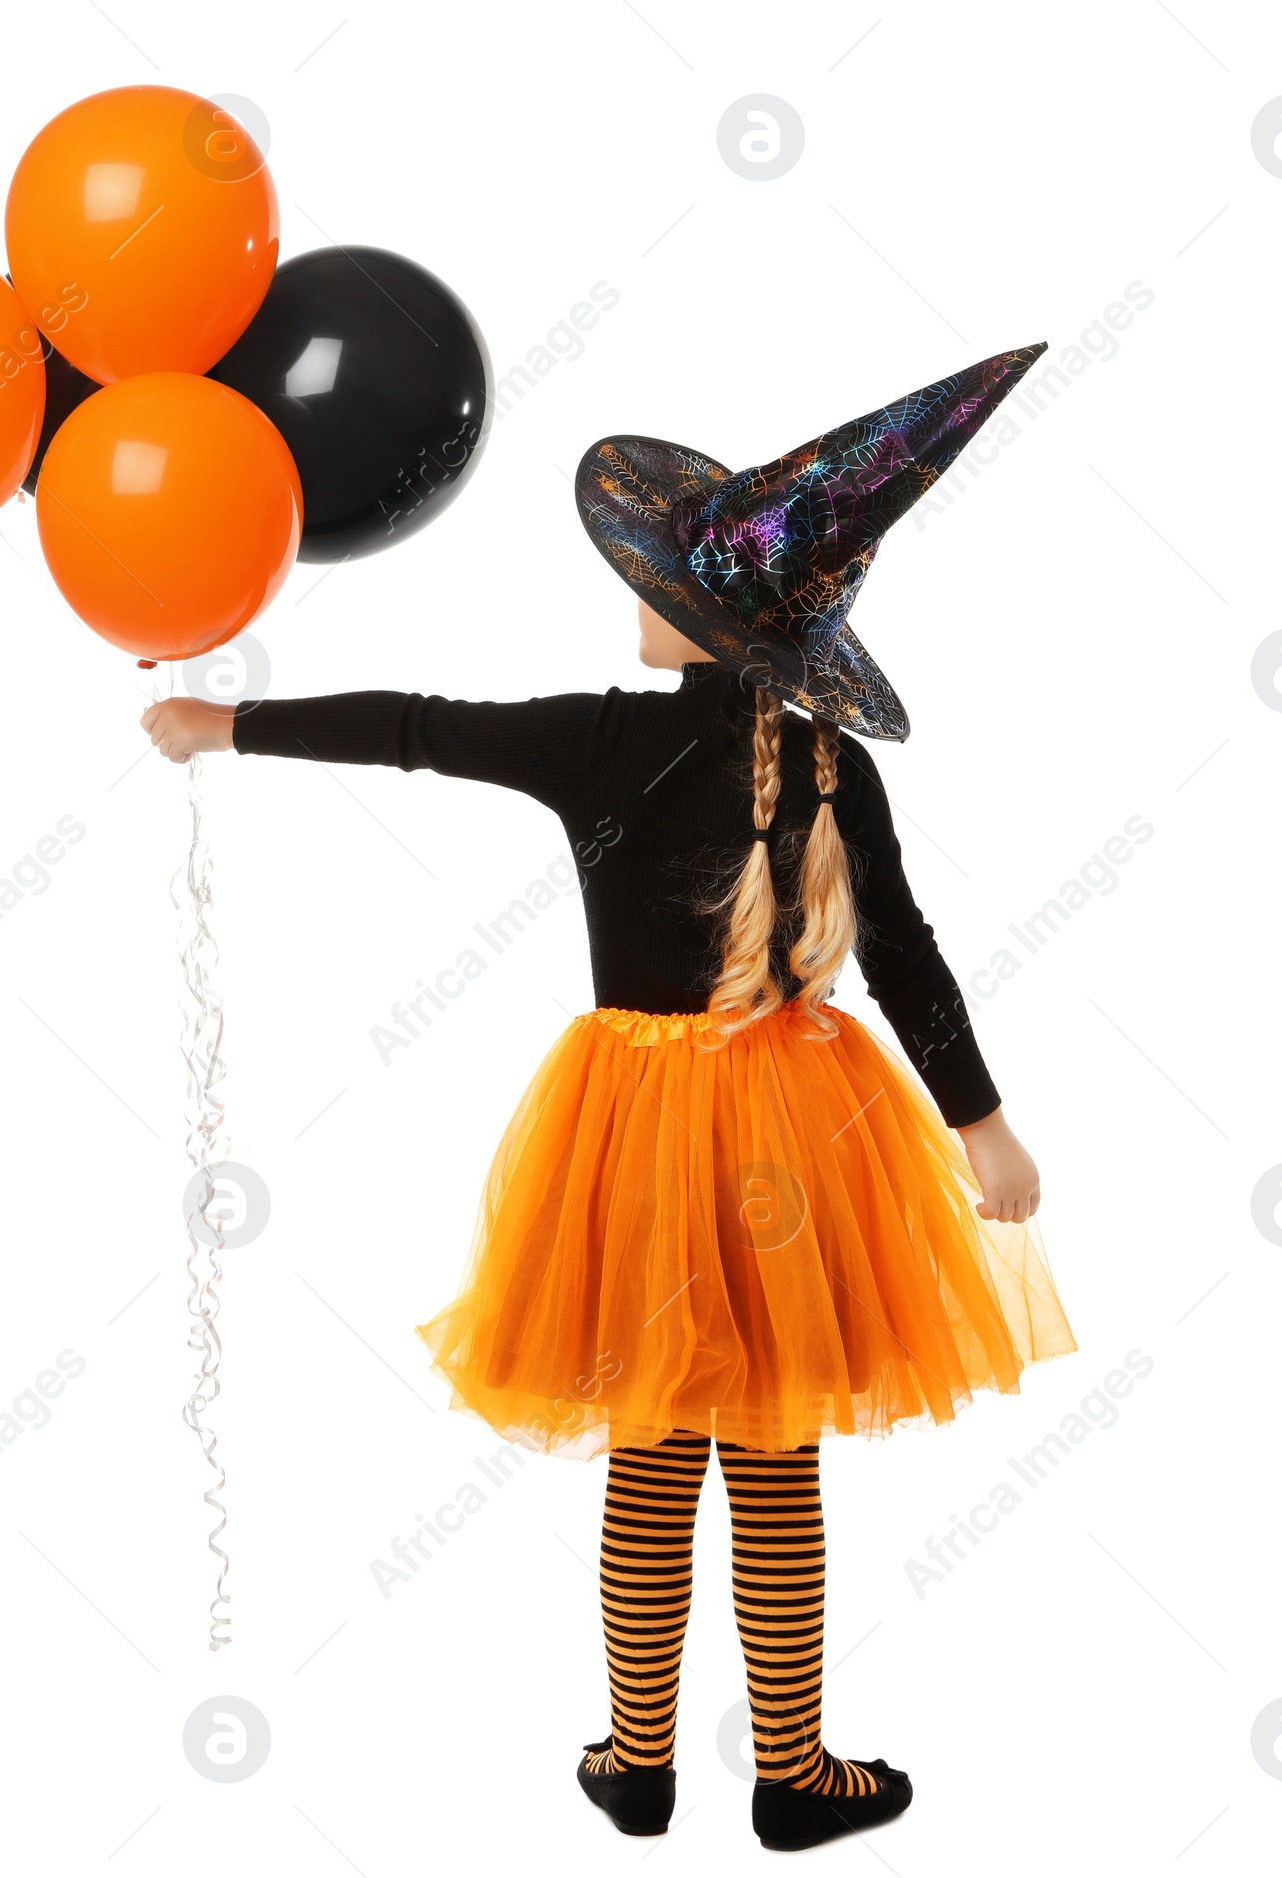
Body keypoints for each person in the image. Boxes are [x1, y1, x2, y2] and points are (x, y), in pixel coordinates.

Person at [140, 346, 1076, 1852]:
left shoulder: (601, 738)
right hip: (798, 1134)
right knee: (774, 1452)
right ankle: (793, 1774)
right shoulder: (832, 766)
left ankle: (637, 1761)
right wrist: (983, 1128)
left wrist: (227, 725)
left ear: (698, 618)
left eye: (648, 579)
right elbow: (905, 957)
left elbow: (417, 726)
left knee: (652, 1441)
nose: (629, 597)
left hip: (630, 1131)